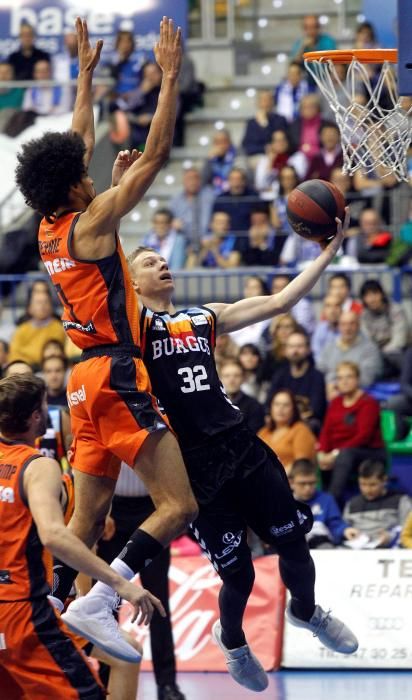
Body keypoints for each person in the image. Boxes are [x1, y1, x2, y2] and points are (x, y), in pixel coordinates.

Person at [82, 211, 359, 693]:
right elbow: (107, 264)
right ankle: (232, 641)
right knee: (241, 574)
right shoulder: (136, 328)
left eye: (163, 259)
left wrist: (328, 253)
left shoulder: (203, 316)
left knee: (293, 542)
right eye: (149, 262)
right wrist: (121, 206)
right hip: (191, 466)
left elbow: (280, 300)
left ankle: (307, 611)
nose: (162, 265)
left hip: (241, 445)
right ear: (134, 281)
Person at [15, 17, 198, 662]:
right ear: (73, 184)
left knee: (84, 520)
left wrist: (86, 75)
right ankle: (102, 600)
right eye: (84, 170)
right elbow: (153, 157)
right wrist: (170, 77)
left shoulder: (47, 227)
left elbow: (77, 137)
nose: (92, 167)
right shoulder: (91, 223)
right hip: (119, 372)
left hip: (80, 381)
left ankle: (60, 597)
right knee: (177, 504)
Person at [0, 373, 165, 699]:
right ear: (36, 416)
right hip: (21, 609)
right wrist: (120, 584)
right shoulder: (37, 467)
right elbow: (54, 536)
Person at [97, 464, 185, 700]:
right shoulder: (104, 425)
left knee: (159, 601)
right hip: (112, 508)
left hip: (153, 509)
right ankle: (104, 681)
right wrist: (102, 510)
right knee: (105, 602)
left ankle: (167, 685)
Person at [318, 362, 386, 501]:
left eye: (349, 377)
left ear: (358, 379)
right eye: (340, 378)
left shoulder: (369, 403)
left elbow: (364, 436)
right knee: (318, 458)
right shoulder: (336, 402)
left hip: (369, 452)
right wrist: (323, 453)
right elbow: (326, 431)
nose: (344, 382)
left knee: (345, 455)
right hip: (339, 452)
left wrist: (335, 454)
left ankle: (331, 501)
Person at [266, 330, 326, 435]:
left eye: (299, 346)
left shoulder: (317, 376)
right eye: (291, 346)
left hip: (305, 423)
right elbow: (269, 403)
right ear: (285, 350)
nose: (295, 351)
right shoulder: (280, 375)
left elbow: (315, 410)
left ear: (308, 349)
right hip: (281, 421)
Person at [343, 460, 412, 548]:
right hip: (357, 550)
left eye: (373, 485)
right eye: (363, 484)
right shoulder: (352, 504)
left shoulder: (401, 500)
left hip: (390, 549)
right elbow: (346, 528)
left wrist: (391, 537)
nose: (367, 490)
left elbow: (407, 531)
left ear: (384, 480)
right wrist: (348, 532)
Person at [289, 459, 357, 548]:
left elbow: (335, 523)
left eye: (312, 483)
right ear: (291, 483)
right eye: (302, 483)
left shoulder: (326, 499)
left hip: (322, 545)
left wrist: (345, 530)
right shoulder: (284, 502)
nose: (307, 488)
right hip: (294, 546)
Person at [317, 310, 382, 398]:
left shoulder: (370, 349)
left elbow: (366, 379)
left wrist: (336, 385)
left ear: (358, 326)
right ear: (338, 327)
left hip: (358, 397)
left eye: (352, 324)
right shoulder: (329, 348)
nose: (347, 328)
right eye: (343, 324)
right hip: (328, 393)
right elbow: (319, 372)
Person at [258, 390, 316, 475]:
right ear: (271, 407)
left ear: (293, 409)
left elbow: (301, 464)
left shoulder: (301, 430)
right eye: (277, 404)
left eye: (286, 405)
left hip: (289, 481)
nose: (280, 409)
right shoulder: (264, 432)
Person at [359, 278, 408, 376]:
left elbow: (399, 339)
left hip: (397, 351)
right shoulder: (363, 316)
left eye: (375, 293)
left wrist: (383, 352)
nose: (372, 299)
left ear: (382, 294)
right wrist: (375, 353)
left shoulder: (396, 310)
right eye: (367, 295)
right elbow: (367, 340)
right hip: (375, 353)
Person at [8, 292, 66, 368]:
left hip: (48, 369)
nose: (42, 305)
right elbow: (13, 355)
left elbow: (52, 354)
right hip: (24, 368)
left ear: (51, 307)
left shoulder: (58, 328)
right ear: (30, 308)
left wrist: (27, 355)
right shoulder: (21, 330)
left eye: (46, 302)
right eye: (38, 302)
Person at [169, 167, 215, 250]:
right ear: (183, 181)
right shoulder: (175, 201)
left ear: (200, 181)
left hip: (207, 238)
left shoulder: (210, 196)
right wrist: (173, 223)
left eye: (196, 178)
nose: (193, 182)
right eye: (189, 179)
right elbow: (170, 223)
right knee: (178, 241)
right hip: (185, 241)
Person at [254, 129, 308, 196]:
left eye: (283, 139)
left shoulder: (297, 157)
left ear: (288, 141)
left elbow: (297, 180)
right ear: (271, 144)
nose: (280, 143)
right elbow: (260, 185)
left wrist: (273, 188)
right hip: (268, 200)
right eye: (276, 140)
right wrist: (271, 161)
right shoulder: (265, 160)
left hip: (293, 197)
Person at [289, 14, 337, 85]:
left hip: (327, 79)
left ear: (318, 28)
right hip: (305, 81)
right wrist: (303, 48)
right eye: (307, 28)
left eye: (313, 27)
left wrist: (314, 48)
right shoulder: (300, 43)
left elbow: (334, 61)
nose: (310, 31)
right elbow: (293, 64)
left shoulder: (328, 41)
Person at [219, 359, 265, 433]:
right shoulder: (213, 404)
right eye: (227, 376)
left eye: (236, 376)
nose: (231, 380)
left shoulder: (254, 406)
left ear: (243, 378)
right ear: (220, 379)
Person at [241, 90, 287, 158]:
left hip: (277, 155)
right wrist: (263, 148)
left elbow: (277, 141)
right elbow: (247, 146)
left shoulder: (280, 120)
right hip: (258, 156)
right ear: (258, 103)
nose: (266, 103)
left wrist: (264, 124)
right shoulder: (251, 123)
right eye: (263, 100)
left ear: (273, 102)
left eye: (268, 100)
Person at [202, 129, 237, 193]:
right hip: (214, 194)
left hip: (233, 193)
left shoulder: (237, 154)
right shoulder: (210, 158)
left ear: (229, 142)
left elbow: (243, 178)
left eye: (223, 141)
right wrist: (209, 160)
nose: (221, 146)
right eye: (217, 142)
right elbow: (203, 181)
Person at [311, 294, 342, 363]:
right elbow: (316, 354)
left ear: (342, 309)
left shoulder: (350, 328)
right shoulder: (319, 329)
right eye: (328, 306)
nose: (332, 311)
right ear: (324, 310)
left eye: (336, 306)